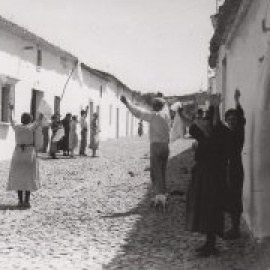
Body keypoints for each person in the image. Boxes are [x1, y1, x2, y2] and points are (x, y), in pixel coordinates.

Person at [184, 94, 229, 257]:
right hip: (203, 177)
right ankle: (208, 243)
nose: (204, 122)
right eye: (203, 120)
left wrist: (216, 107)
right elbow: (192, 127)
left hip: (214, 179)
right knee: (203, 209)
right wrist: (185, 113)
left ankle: (211, 245)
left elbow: (216, 126)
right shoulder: (202, 135)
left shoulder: (218, 136)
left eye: (207, 120)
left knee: (212, 209)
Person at [120, 95, 171, 196]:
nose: (151, 107)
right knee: (163, 170)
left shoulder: (154, 116)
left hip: (156, 146)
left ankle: (159, 193)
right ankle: (164, 192)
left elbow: (138, 112)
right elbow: (165, 106)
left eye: (153, 106)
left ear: (155, 107)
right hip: (166, 146)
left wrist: (127, 103)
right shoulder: (166, 115)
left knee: (156, 171)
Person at [7, 104, 43, 208]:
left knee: (18, 177)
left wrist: (11, 110)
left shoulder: (17, 128)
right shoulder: (31, 127)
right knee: (28, 177)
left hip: (18, 153)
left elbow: (11, 120)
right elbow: (38, 121)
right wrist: (41, 112)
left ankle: (20, 200)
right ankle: (26, 201)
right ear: (30, 120)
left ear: (22, 119)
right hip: (29, 154)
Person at [223, 89, 246, 240]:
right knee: (232, 198)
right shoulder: (232, 131)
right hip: (231, 168)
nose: (231, 121)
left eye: (233, 119)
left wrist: (237, 101)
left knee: (235, 198)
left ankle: (235, 229)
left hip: (235, 168)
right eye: (229, 119)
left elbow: (241, 115)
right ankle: (234, 227)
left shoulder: (237, 132)